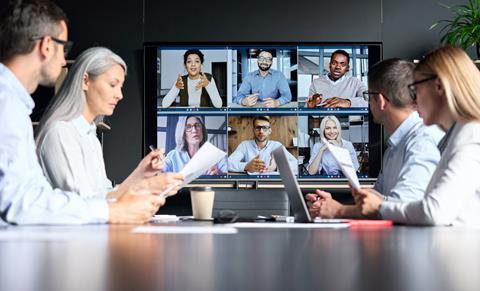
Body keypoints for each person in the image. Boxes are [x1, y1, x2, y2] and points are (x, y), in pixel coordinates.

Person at [0, 0, 182, 224]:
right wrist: (117, 207)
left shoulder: (16, 105)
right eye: (63, 47)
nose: (64, 59)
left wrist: (138, 179)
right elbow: (21, 202)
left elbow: (41, 196)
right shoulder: (9, 105)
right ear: (46, 46)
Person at [354, 47, 480, 227]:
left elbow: (434, 211)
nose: (413, 99)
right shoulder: (457, 135)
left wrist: (380, 206)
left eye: (416, 88)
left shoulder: (471, 137)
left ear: (438, 86)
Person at [35, 46, 181, 201]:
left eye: (121, 87)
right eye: (112, 84)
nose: (120, 95)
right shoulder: (60, 133)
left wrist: (141, 174)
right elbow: (85, 206)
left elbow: (106, 196)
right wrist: (145, 186)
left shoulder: (90, 136)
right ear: (85, 81)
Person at [307, 58, 443, 219]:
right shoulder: (395, 146)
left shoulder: (422, 141)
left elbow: (405, 208)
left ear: (380, 100)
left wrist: (338, 211)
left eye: (368, 96)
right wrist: (332, 206)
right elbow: (380, 202)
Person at [228, 116, 298, 174]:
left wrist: (276, 166)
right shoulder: (244, 145)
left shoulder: (277, 146)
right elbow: (228, 163)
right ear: (253, 130)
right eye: (258, 128)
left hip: (272, 184)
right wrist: (246, 166)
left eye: (264, 128)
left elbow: (296, 165)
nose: (261, 131)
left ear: (269, 131)